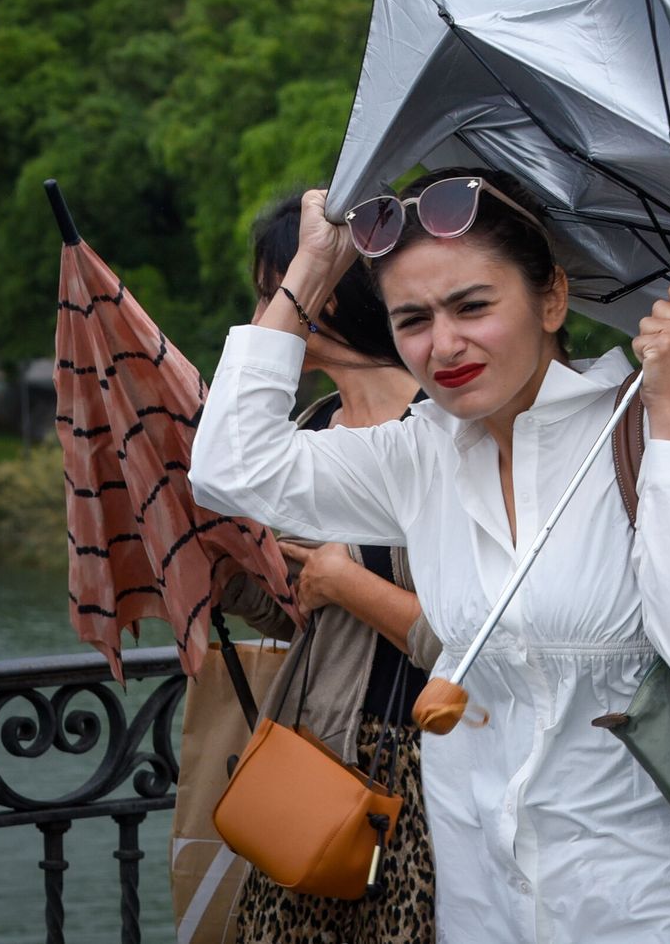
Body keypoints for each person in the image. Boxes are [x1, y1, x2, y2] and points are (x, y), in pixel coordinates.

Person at [191, 169, 670, 943]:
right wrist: (312, 271)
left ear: (552, 299)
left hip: (642, 902)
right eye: (413, 319)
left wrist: (669, 402)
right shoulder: (420, 454)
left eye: (472, 306)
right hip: (481, 904)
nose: (444, 345)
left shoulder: (653, 416)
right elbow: (230, 468)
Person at [216, 192, 438, 944]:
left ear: (327, 290)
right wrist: (235, 578)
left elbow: (472, 638)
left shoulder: (437, 431)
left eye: (275, 287)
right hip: (313, 754)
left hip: (418, 773)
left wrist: (345, 580)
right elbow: (301, 622)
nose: (264, 309)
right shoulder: (308, 430)